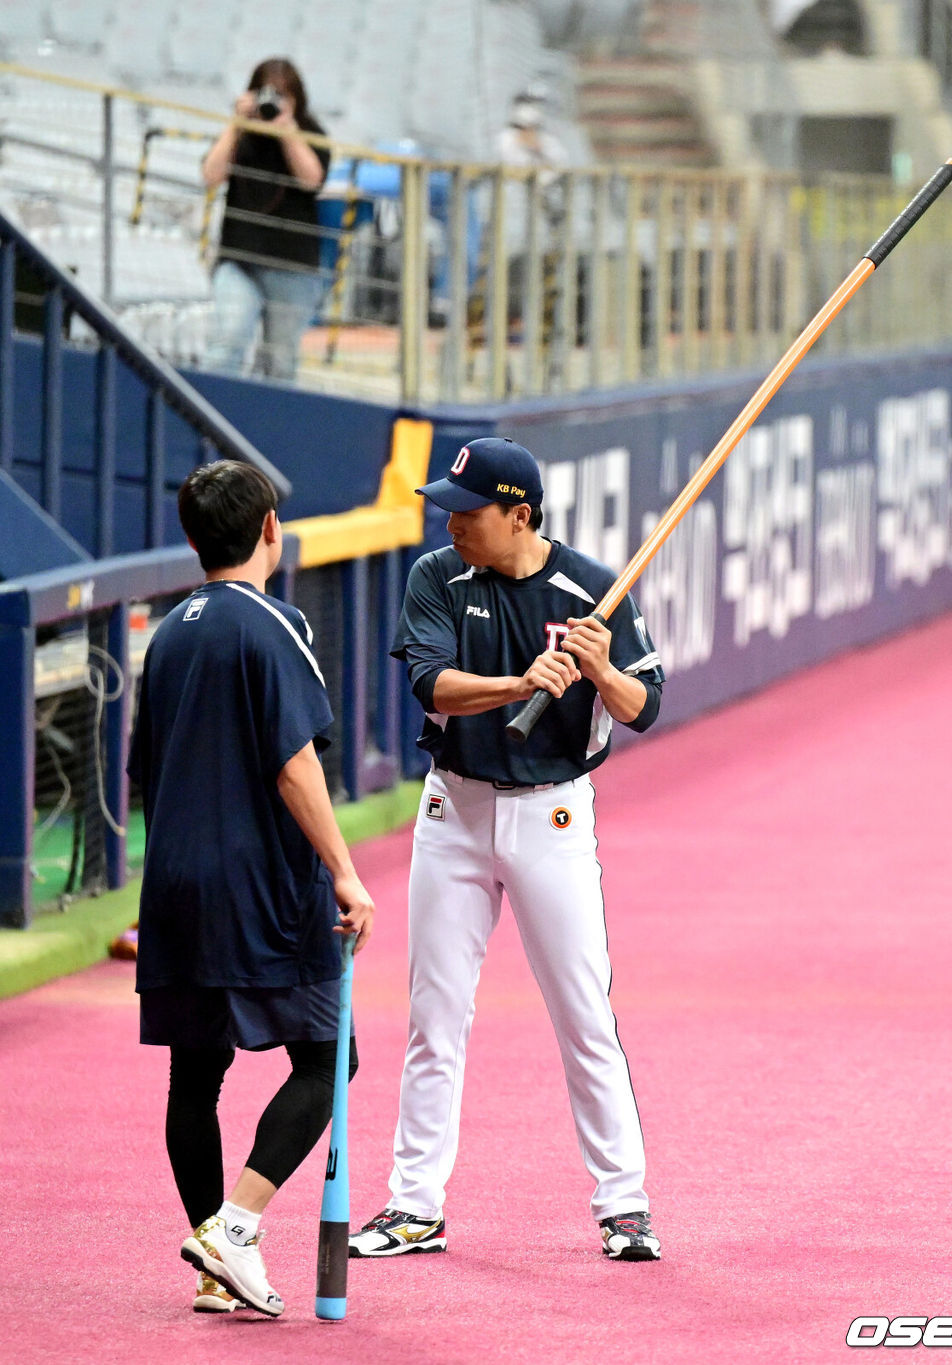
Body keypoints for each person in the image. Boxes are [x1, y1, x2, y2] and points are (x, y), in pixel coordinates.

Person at [349, 436, 664, 1262]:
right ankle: (415, 1205)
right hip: (453, 809)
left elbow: (646, 705)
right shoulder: (435, 577)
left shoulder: (595, 590)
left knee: (584, 1013)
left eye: (468, 511)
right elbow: (431, 683)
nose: (449, 523)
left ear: (519, 514)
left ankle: (624, 1202)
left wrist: (601, 671)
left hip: (554, 818)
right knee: (433, 1016)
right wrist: (521, 683)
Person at [127, 459, 375, 1317]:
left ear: (195, 540)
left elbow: (143, 773)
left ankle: (213, 1264)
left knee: (195, 1075)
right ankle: (235, 1227)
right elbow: (294, 763)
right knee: (327, 1057)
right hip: (262, 888)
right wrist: (344, 870)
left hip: (174, 887)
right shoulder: (276, 625)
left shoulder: (166, 634)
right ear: (269, 528)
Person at [202, 59, 329, 381]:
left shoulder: (312, 133)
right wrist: (236, 123)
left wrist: (287, 131)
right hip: (239, 259)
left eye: (281, 95)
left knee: (281, 361)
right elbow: (210, 175)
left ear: (296, 99)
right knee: (227, 341)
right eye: (265, 94)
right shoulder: (242, 133)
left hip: (292, 266)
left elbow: (311, 179)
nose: (271, 103)